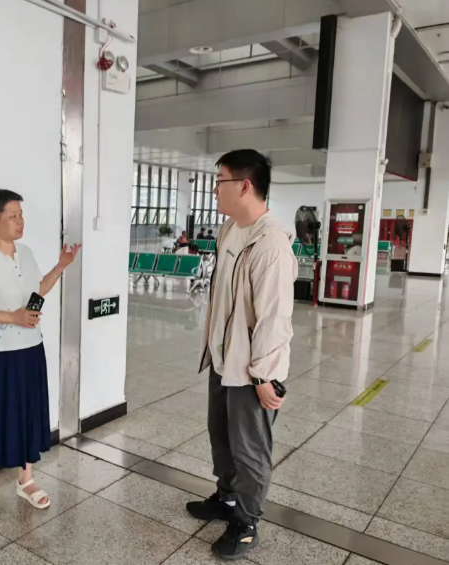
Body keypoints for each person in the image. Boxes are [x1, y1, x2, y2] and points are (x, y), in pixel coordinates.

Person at [186, 150, 297, 560]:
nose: (215, 189)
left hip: (253, 371)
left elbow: (274, 317)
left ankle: (247, 522)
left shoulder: (271, 244)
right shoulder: (230, 229)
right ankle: (227, 496)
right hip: (223, 359)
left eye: (220, 181)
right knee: (221, 435)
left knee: (250, 448)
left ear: (245, 186)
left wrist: (264, 375)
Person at [0, 189, 81, 522]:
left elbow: (35, 293)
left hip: (30, 349)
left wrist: (60, 266)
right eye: (13, 216)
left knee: (27, 411)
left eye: (21, 215)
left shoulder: (25, 253)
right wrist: (13, 317)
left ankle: (25, 479)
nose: (20, 221)